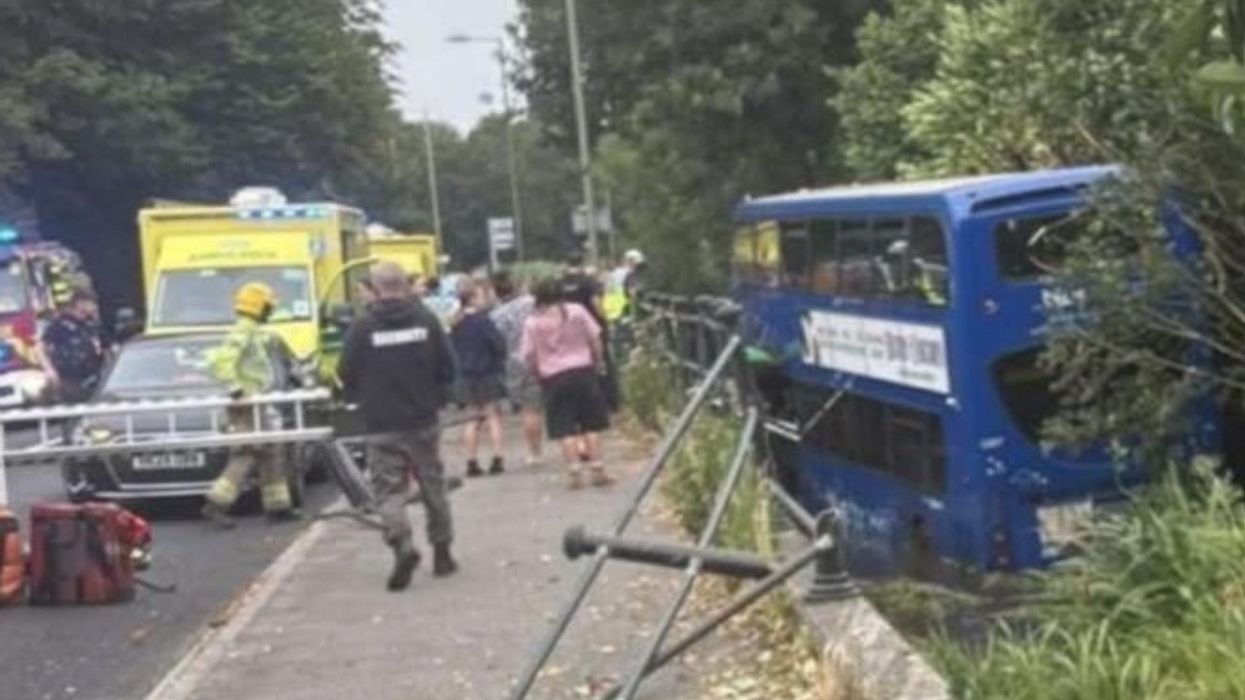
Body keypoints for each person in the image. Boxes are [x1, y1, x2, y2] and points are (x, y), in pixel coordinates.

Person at [339, 262, 458, 590]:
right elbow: (448, 366)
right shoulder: (426, 320)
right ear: (405, 287)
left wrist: (360, 393)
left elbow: (345, 370)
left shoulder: (363, 328)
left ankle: (401, 543)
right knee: (433, 485)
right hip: (422, 421)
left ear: (376, 290)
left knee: (388, 491)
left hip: (381, 423)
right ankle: (443, 553)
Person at [201, 282, 300, 527]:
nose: (271, 310)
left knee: (270, 451)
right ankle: (215, 505)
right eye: (269, 306)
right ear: (259, 305)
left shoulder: (252, 330)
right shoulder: (243, 331)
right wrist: (236, 388)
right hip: (248, 402)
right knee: (247, 452)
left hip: (258, 400)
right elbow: (221, 361)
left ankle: (278, 507)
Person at [520, 278, 615, 490]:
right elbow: (595, 338)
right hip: (583, 370)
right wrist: (598, 361)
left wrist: (537, 372)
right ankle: (598, 468)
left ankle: (574, 472)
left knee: (565, 427)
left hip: (553, 376)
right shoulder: (577, 311)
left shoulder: (533, 322)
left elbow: (528, 354)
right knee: (591, 423)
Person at [451, 279, 507, 478]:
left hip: (464, 375)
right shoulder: (483, 321)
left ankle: (471, 461)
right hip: (486, 372)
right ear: (473, 298)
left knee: (471, 417)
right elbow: (498, 345)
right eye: (481, 295)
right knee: (492, 415)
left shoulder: (455, 322)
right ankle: (497, 458)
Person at [490, 270, 543, 467]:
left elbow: (496, 344)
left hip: (516, 362)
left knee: (530, 410)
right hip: (545, 355)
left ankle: (534, 452)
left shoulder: (496, 316)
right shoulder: (531, 302)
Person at [561, 251, 620, 412]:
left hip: (566, 330)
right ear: (582, 263)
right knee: (601, 362)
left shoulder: (560, 283)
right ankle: (608, 401)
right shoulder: (588, 281)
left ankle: (577, 402)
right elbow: (596, 303)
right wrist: (605, 318)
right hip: (590, 327)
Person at [39, 289, 105, 403]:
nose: (94, 307)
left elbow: (101, 345)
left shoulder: (90, 324)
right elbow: (40, 347)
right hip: (69, 379)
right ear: (80, 304)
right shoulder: (60, 323)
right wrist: (50, 370)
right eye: (92, 303)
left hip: (92, 377)